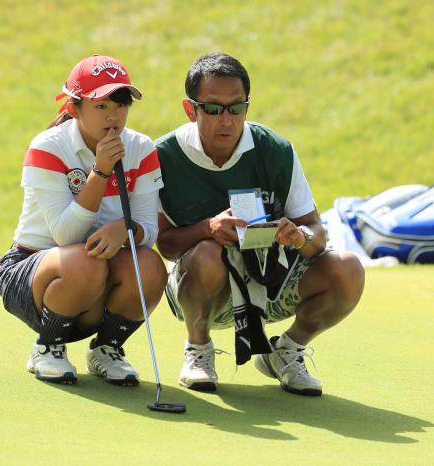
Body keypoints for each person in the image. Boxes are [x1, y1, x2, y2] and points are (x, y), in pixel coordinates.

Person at [156, 52, 365, 396]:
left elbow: (318, 233)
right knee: (208, 252)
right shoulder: (163, 155)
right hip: (201, 292)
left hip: (273, 287)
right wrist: (206, 229)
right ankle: (198, 349)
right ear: (189, 108)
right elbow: (164, 244)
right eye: (213, 108)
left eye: (237, 108)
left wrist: (299, 237)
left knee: (348, 269)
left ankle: (286, 352)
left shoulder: (276, 150)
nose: (226, 120)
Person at [0, 54, 167, 386]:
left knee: (149, 264)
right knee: (85, 262)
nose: (114, 115)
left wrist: (126, 227)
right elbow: (65, 234)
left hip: (96, 272)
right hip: (33, 272)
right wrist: (100, 171)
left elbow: (149, 227)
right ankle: (47, 347)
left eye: (121, 104)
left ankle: (106, 349)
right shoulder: (47, 147)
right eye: (101, 106)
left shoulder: (141, 148)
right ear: (75, 109)